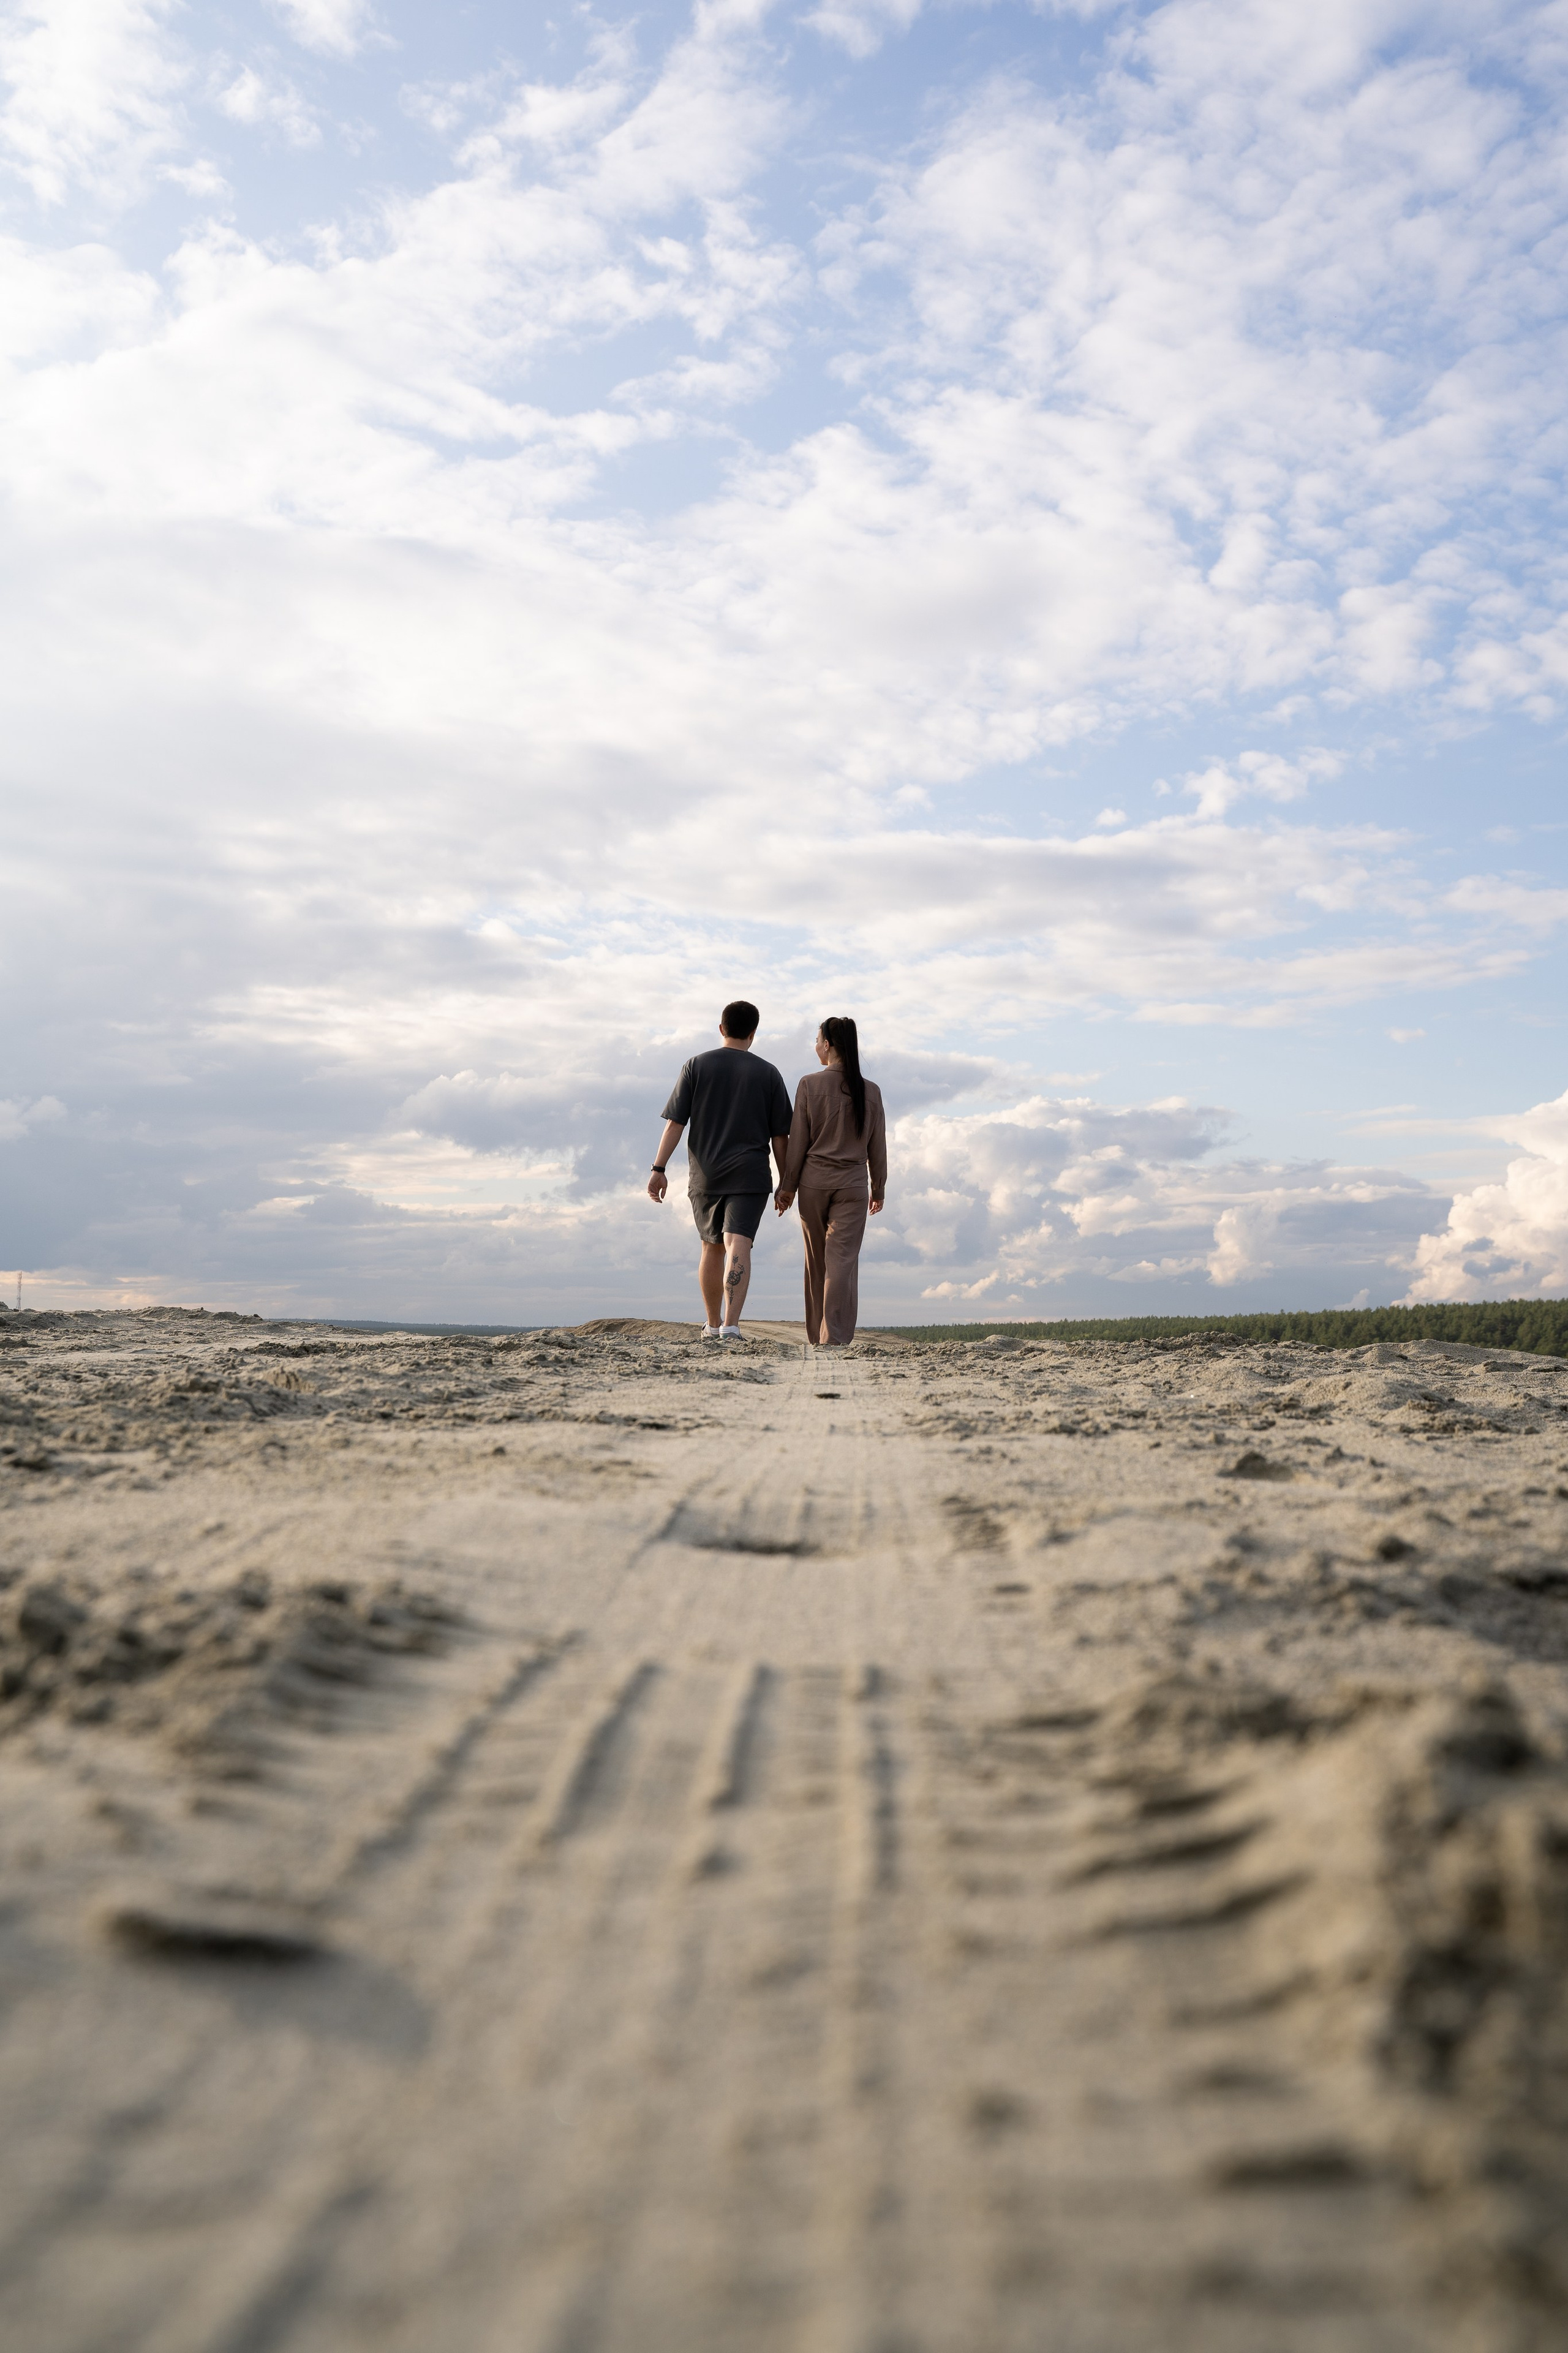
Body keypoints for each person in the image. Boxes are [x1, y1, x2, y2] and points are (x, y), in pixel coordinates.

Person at [649, 1001, 793, 1341]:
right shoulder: (768, 1073)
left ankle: (712, 1326)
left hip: (706, 1174)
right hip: (751, 1175)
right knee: (738, 1242)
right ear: (753, 1033)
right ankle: (731, 1326)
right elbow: (780, 1136)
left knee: (711, 1247)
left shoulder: (696, 1066)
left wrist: (659, 1168)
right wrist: (787, 1181)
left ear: (721, 1028)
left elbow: (675, 1124)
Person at [775, 1016, 886, 1347]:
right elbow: (878, 1146)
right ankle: (833, 1337)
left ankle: (816, 1337)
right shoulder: (871, 1091)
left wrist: (787, 1187)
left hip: (813, 1185)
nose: (815, 1046)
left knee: (817, 1263)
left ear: (827, 1045)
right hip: (853, 1186)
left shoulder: (809, 1085)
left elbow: (798, 1142)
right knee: (842, 1264)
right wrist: (878, 1188)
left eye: (816, 1040)